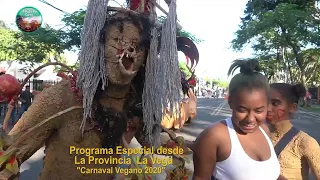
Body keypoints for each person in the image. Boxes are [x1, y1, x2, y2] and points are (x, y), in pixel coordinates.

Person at [193, 59, 281, 180]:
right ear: (230, 103)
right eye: (242, 110)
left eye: (259, 110)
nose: (250, 119)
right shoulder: (214, 137)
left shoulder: (264, 130)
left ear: (267, 106)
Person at [266, 83, 320, 180]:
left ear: (292, 108)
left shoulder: (305, 142)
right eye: (265, 102)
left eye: (275, 103)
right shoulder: (256, 136)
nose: (268, 108)